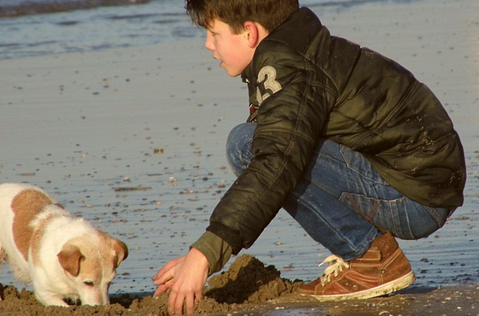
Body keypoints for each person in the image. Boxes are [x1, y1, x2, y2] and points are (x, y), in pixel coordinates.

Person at [152, 0, 466, 314]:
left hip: (413, 198)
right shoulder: (300, 49)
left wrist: (204, 254)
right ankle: (369, 254)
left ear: (249, 32)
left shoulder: (287, 67)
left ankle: (370, 260)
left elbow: (276, 162)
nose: (208, 45)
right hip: (422, 183)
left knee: (246, 146)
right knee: (263, 144)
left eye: (213, 33)